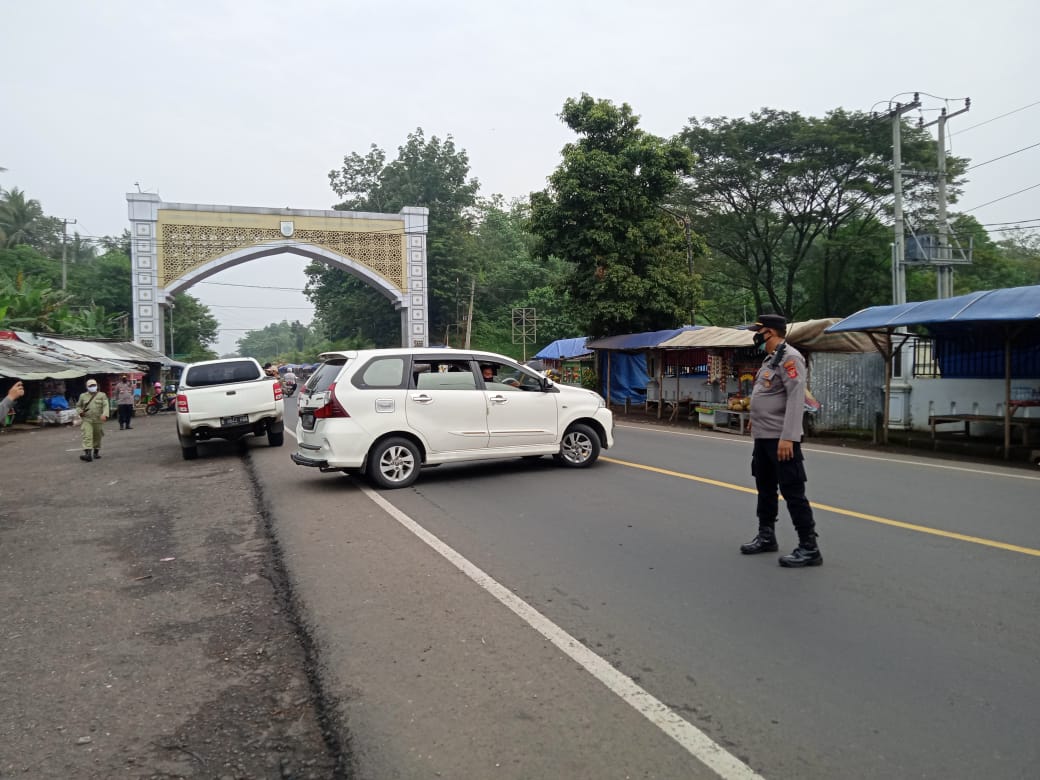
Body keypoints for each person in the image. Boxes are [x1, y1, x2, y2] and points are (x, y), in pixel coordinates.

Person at [740, 314, 822, 567]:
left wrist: (789, 436)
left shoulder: (791, 358)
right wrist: (756, 416)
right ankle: (767, 535)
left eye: (759, 330)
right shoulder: (770, 359)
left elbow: (796, 398)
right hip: (764, 437)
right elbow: (768, 392)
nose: (756, 335)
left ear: (771, 332)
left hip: (781, 438)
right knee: (765, 488)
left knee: (792, 491)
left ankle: (809, 547)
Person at [76, 378, 109, 462]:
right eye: (90, 386)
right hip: (87, 419)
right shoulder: (83, 396)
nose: (92, 387)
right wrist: (80, 412)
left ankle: (96, 452)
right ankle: (88, 454)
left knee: (97, 436)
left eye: (94, 385)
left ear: (96, 386)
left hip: (98, 419)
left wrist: (104, 414)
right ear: (87, 387)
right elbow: (78, 406)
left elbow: (106, 405)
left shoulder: (102, 395)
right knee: (87, 435)